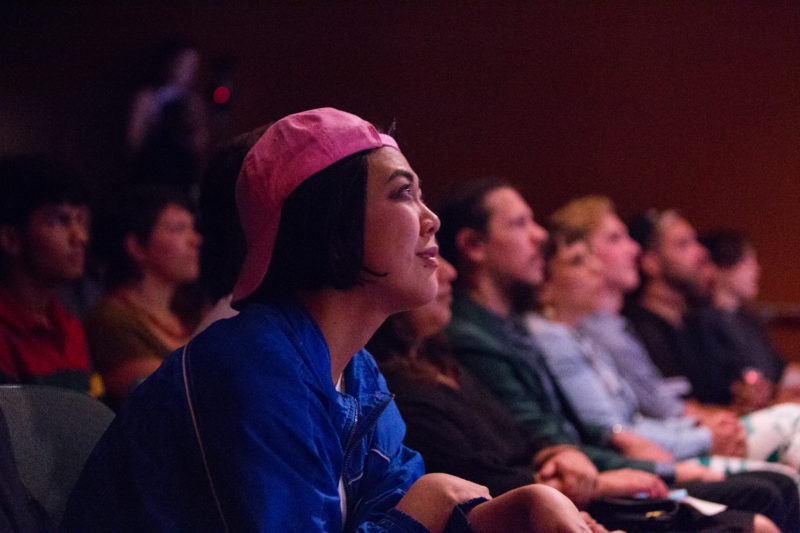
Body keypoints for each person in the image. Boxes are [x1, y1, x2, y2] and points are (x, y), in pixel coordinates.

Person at [61, 108, 600, 533]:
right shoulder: (254, 370)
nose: (430, 218)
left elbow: (396, 511)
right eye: (403, 193)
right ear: (332, 228)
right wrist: (432, 497)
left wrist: (522, 508)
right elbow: (417, 511)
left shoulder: (356, 373)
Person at [436, 179, 795, 532]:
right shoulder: (487, 337)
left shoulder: (514, 330)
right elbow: (566, 439)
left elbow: (584, 432)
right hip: (571, 487)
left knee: (780, 471)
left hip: (594, 474)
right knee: (772, 487)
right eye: (519, 223)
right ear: (472, 245)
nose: (539, 235)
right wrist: (674, 461)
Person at [528, 214, 800, 484]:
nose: (595, 268)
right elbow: (616, 432)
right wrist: (706, 434)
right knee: (785, 460)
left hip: (678, 439)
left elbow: (634, 420)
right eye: (578, 261)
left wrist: (708, 426)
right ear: (544, 281)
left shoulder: (589, 335)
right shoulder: (557, 338)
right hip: (658, 459)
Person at [84, 186, 202, 409]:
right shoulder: (112, 319)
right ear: (137, 246)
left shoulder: (189, 315)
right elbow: (171, 394)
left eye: (193, 229)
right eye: (179, 229)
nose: (195, 240)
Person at [0, 155, 95, 394]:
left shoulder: (68, 326)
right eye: (60, 221)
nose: (80, 237)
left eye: (81, 220)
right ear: (11, 239)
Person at [700, 228, 800, 400]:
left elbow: (780, 372)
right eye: (746, 261)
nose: (756, 269)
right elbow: (729, 390)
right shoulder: (702, 324)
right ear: (720, 267)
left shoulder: (747, 320)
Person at [126, 38, 210, 199]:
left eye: (193, 66)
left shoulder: (194, 102)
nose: (188, 71)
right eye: (183, 64)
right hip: (150, 174)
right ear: (169, 63)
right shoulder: (147, 97)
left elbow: (200, 146)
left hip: (183, 175)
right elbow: (133, 141)